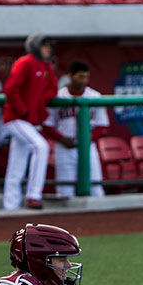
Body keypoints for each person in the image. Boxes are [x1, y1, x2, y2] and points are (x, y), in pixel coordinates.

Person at [2, 33, 58, 211]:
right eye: (44, 45)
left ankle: (10, 205)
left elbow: (53, 88)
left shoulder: (46, 66)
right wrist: (23, 110)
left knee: (16, 164)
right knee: (40, 147)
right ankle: (33, 196)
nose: (48, 49)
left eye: (49, 46)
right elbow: (10, 89)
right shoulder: (25, 62)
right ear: (35, 46)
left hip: (29, 120)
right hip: (16, 118)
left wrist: (42, 100)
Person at [43, 60, 110, 198]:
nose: (83, 80)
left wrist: (87, 139)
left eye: (86, 77)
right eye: (80, 77)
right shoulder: (59, 96)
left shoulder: (94, 96)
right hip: (64, 147)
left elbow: (102, 125)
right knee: (64, 191)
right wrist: (61, 138)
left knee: (96, 189)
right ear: (71, 76)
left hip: (88, 147)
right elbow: (47, 124)